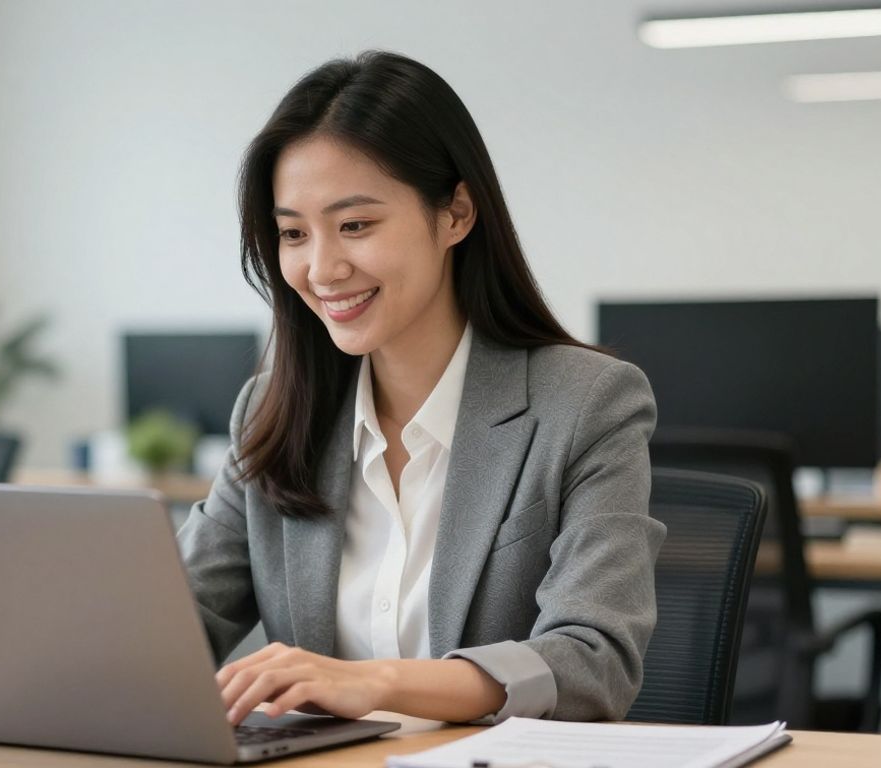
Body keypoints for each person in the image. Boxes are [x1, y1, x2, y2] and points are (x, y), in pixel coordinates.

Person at [178, 51, 665, 726]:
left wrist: (373, 683)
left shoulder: (587, 404)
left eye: (355, 225)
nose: (322, 268)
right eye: (293, 233)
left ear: (456, 214)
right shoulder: (270, 412)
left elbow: (592, 661)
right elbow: (172, 629)